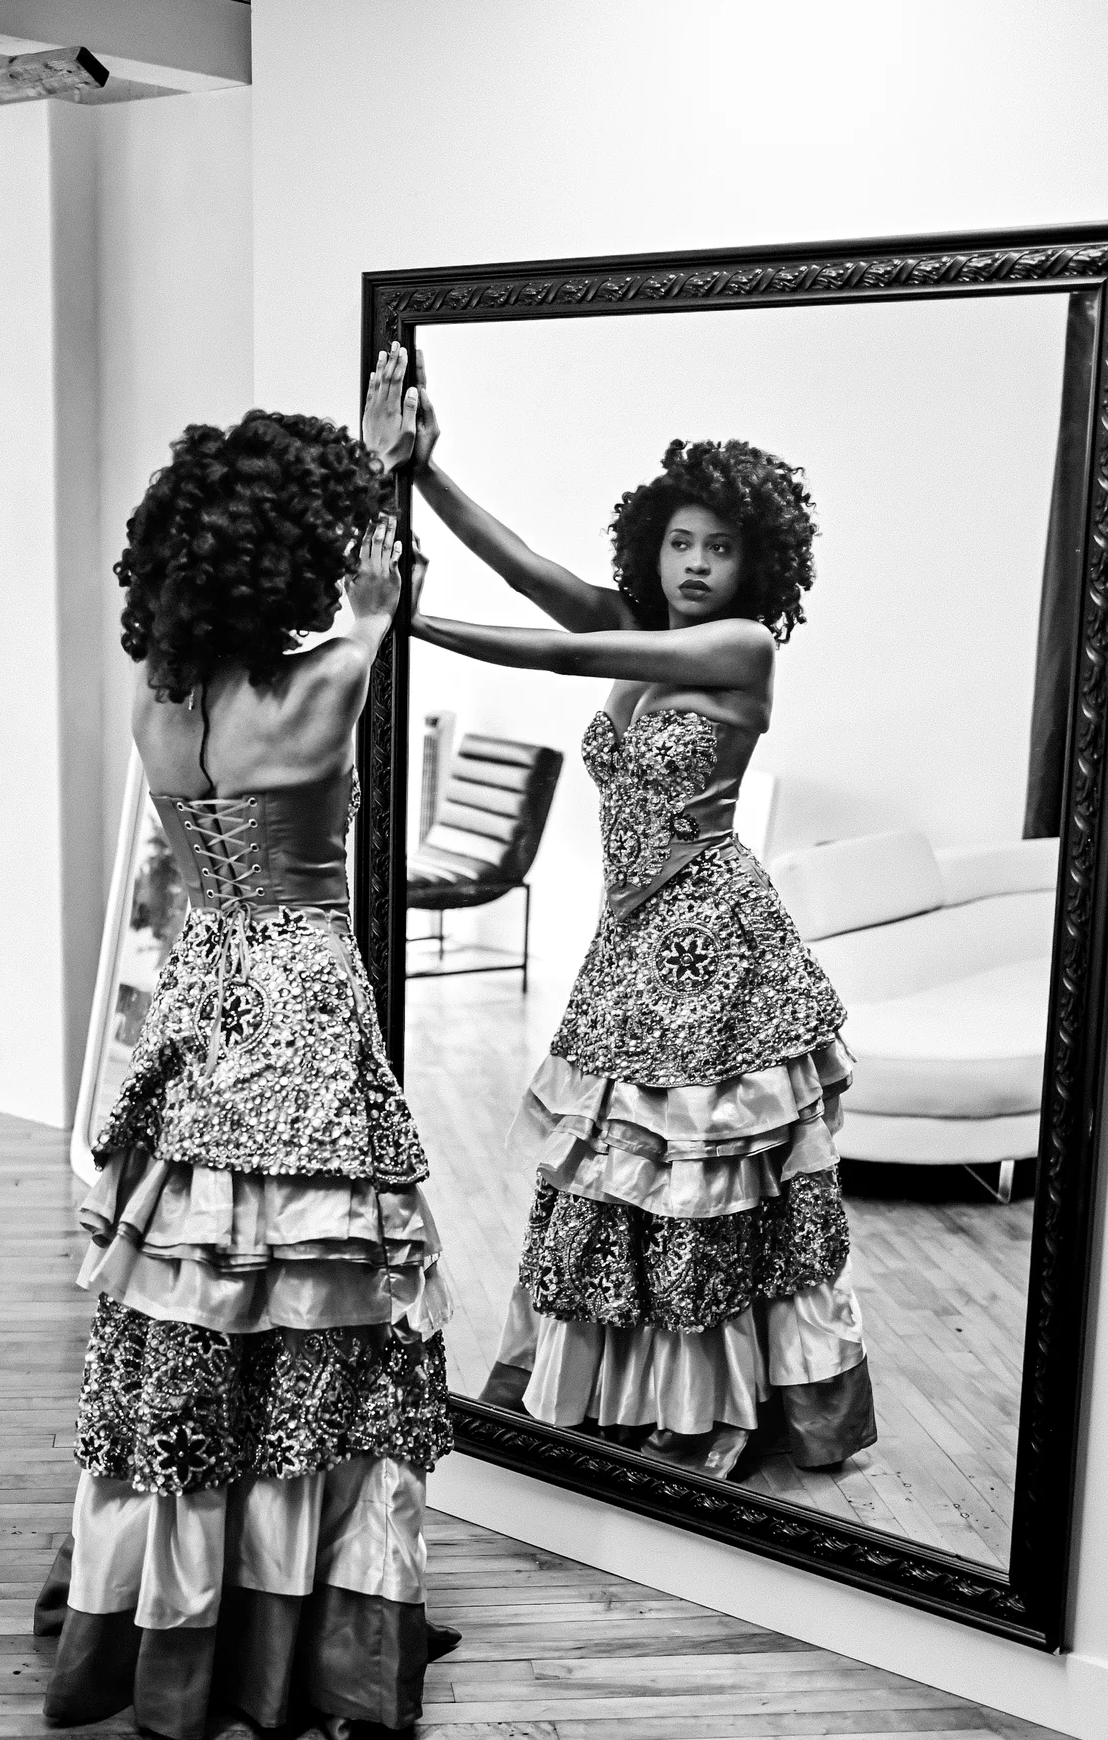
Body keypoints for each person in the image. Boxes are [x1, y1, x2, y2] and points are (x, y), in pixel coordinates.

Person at [365, 345, 876, 1481]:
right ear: (655, 543)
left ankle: (718, 1406)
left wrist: (406, 625)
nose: (696, 562)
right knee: (611, 1177)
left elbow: (565, 649)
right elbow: (536, 581)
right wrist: (427, 478)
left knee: (706, 1183)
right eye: (681, 540)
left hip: (714, 939)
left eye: (720, 545)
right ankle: (612, 1390)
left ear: (757, 564)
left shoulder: (735, 648)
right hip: (631, 940)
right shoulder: (649, 630)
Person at [37, 410, 456, 1740]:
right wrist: (386, 507)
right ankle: (305, 1630)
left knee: (187, 1317)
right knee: (325, 1327)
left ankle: (172, 1616)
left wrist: (362, 464)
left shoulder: (159, 707)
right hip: (305, 1016)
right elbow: (369, 594)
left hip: (199, 1004)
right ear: (295, 564)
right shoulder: (332, 679)